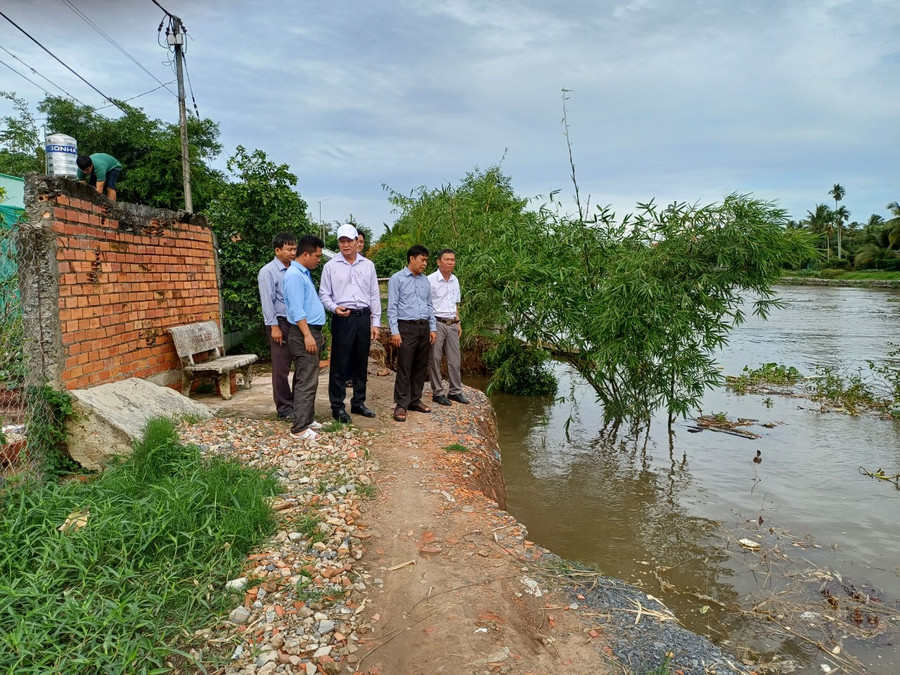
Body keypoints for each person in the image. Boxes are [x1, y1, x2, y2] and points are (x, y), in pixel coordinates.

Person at [318, 223, 381, 423]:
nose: (345, 245)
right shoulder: (330, 266)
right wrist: (334, 307)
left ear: (356, 242)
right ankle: (337, 406)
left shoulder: (368, 265)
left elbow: (374, 294)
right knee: (339, 363)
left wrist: (375, 322)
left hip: (363, 317)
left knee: (361, 362)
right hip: (343, 317)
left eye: (349, 241)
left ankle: (358, 402)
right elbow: (324, 294)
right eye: (341, 241)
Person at [283, 234, 326, 441]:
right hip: (303, 333)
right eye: (317, 256)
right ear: (306, 254)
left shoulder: (303, 273)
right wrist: (308, 335)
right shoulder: (294, 275)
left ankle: (307, 419)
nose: (319, 260)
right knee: (306, 380)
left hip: (310, 331)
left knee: (308, 378)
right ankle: (299, 429)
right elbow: (297, 309)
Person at [387, 245, 436, 422]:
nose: (425, 264)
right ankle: (401, 404)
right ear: (412, 259)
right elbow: (392, 307)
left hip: (423, 326)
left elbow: (429, 304)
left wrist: (432, 328)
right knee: (405, 366)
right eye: (422, 260)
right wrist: (395, 331)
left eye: (426, 261)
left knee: (420, 366)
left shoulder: (425, 281)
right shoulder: (397, 279)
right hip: (406, 327)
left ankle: (415, 399)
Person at [257, 232, 297, 419]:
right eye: (289, 249)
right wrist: (274, 327)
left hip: (297, 323)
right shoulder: (268, 272)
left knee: (302, 365)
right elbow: (267, 301)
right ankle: (284, 407)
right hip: (279, 323)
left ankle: (298, 402)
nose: (293, 253)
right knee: (281, 368)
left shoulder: (295, 269)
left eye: (294, 249)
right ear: (277, 250)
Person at [428, 249, 469, 405]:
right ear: (439, 262)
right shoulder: (430, 280)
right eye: (447, 259)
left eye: (452, 259)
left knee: (454, 359)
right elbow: (426, 304)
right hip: (436, 322)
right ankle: (438, 392)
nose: (450, 262)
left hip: (452, 323)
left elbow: (454, 303)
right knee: (435, 358)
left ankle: (455, 391)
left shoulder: (454, 280)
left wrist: (458, 322)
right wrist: (430, 327)